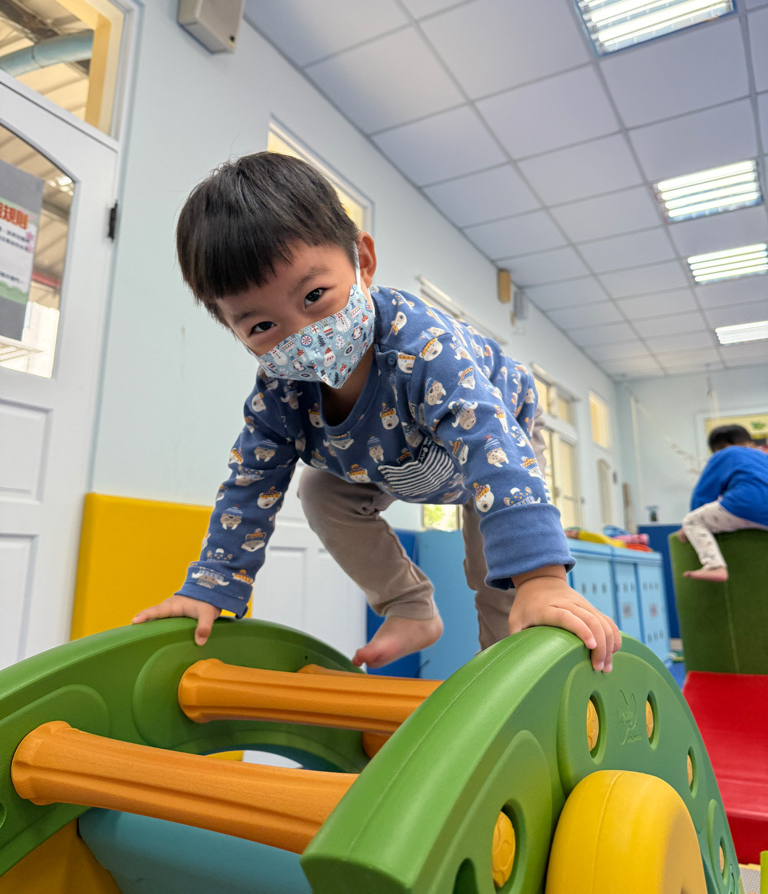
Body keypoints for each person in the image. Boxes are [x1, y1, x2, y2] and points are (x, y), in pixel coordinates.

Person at [133, 153, 621, 671]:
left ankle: (508, 671)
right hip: (392, 459)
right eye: (261, 327)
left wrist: (543, 579)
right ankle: (408, 607)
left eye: (315, 296)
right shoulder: (280, 394)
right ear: (234, 330)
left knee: (499, 578)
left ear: (362, 262)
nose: (303, 335)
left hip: (497, 441)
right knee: (321, 492)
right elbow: (249, 487)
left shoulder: (423, 349)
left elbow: (490, 443)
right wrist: (211, 587)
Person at [677, 424, 768, 581]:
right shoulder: (763, 457)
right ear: (751, 444)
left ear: (717, 449)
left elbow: (703, 493)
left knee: (692, 521)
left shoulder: (724, 455)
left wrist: (690, 522)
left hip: (745, 504)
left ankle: (714, 566)